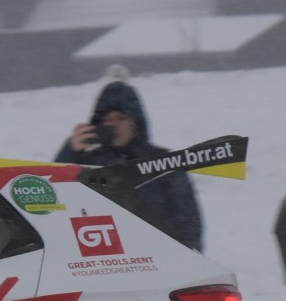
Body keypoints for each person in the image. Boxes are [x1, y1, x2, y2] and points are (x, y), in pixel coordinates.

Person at [53, 78, 204, 250]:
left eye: (121, 117)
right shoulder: (86, 164)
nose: (113, 124)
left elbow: (189, 227)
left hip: (159, 260)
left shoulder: (164, 164)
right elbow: (52, 204)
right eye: (107, 118)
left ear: (136, 122)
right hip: (101, 260)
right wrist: (70, 151)